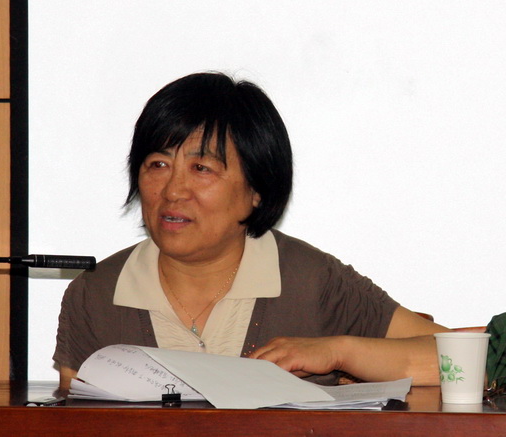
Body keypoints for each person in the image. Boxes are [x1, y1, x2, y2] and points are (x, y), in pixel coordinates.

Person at [54, 72, 449, 390]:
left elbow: (464, 362)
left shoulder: (312, 281)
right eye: (158, 164)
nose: (173, 191)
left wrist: (341, 352)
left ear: (258, 189)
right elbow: (74, 420)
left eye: (201, 168)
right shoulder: (96, 294)